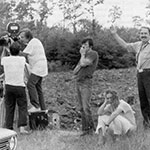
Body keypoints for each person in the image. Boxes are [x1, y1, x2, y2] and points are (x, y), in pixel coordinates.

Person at [110, 26, 150, 129]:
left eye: (145, 33)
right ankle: (147, 125)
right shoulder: (138, 45)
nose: (143, 35)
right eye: (141, 33)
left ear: (149, 35)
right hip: (140, 75)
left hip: (149, 73)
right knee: (143, 100)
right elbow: (125, 45)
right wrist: (115, 34)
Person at [1, 42, 29, 133]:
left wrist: (6, 46)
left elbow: (2, 57)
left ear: (10, 51)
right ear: (19, 51)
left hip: (8, 86)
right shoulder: (22, 59)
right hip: (20, 86)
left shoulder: (4, 60)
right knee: (22, 106)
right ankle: (21, 128)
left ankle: (9, 128)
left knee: (9, 107)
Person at [73, 37, 99, 136]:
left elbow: (83, 63)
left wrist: (82, 55)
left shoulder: (93, 54)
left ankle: (92, 129)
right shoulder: (83, 56)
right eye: (82, 45)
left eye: (86, 45)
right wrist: (81, 59)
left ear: (90, 46)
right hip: (79, 81)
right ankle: (85, 130)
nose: (83, 47)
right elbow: (75, 70)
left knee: (86, 107)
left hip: (86, 82)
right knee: (81, 107)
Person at [19, 28, 48, 112]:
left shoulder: (33, 42)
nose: (21, 39)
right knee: (38, 88)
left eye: (22, 37)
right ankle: (43, 108)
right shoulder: (34, 41)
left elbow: (23, 54)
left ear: (28, 37)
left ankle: (35, 105)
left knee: (30, 84)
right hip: (40, 67)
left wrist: (11, 48)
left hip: (38, 67)